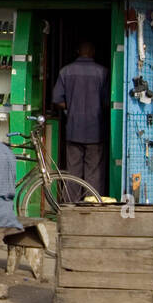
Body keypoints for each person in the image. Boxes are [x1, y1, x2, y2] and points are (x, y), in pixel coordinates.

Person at [52, 41, 109, 194]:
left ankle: (71, 206)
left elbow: (57, 100)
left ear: (78, 51)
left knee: (73, 172)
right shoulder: (102, 72)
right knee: (94, 172)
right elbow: (106, 102)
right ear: (93, 52)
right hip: (96, 131)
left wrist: (72, 108)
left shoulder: (65, 71)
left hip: (73, 129)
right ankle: (92, 204)